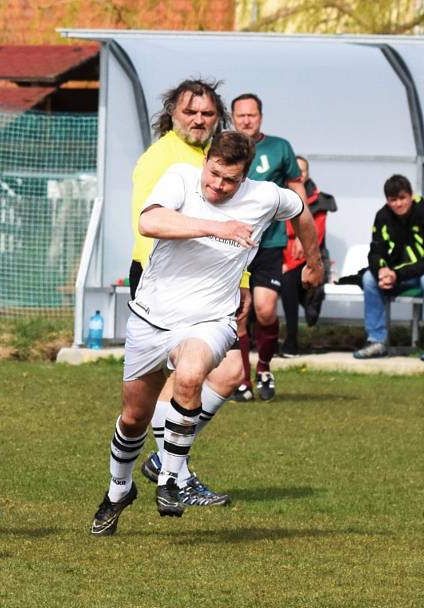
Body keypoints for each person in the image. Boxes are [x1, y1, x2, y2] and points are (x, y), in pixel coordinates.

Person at [90, 131, 323, 535]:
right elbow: (150, 221)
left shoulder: (265, 196)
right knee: (133, 417)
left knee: (192, 373)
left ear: (244, 177)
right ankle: (118, 489)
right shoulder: (181, 177)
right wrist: (215, 227)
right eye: (213, 174)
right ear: (206, 163)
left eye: (229, 181)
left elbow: (301, 210)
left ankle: (170, 478)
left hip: (211, 317)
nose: (217, 185)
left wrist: (313, 262)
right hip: (152, 314)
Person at [128, 78, 247, 507]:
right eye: (189, 112)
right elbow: (148, 225)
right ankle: (171, 470)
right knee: (180, 382)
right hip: (164, 285)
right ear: (171, 115)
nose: (198, 119)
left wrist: (241, 283)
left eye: (207, 113)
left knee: (226, 372)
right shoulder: (162, 159)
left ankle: (166, 464)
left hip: (212, 287)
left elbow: (240, 224)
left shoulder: (215, 161)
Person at [230, 93, 308, 401]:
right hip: (234, 245)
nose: (247, 120)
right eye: (241, 116)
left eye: (252, 115)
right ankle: (242, 380)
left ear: (261, 116)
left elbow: (297, 190)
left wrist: (301, 234)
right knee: (237, 314)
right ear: (233, 118)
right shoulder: (225, 148)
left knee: (264, 310)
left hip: (270, 243)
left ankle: (264, 366)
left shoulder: (280, 148)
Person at [353, 174, 424, 359]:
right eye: (393, 200)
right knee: (369, 278)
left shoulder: (422, 211)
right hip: (395, 276)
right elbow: (375, 252)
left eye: (402, 198)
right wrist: (382, 271)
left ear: (411, 195)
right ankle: (377, 341)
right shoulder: (382, 216)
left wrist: (396, 274)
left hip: (417, 275)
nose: (398, 204)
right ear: (387, 200)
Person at [280, 155, 337, 357]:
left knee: (288, 282)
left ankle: (291, 343)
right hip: (280, 257)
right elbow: (277, 234)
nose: (299, 174)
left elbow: (314, 240)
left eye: (302, 170)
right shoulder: (278, 195)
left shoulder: (320, 202)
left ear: (308, 173)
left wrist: (289, 263)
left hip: (306, 261)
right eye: (296, 170)